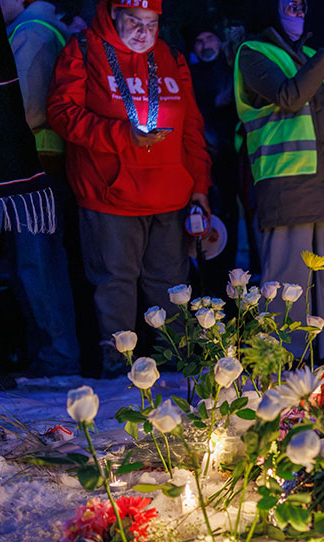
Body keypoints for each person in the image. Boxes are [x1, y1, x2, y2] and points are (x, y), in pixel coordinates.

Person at [48, 0, 212, 377]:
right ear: (113, 15)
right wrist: (122, 136)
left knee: (170, 289)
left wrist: (200, 188)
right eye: (134, 22)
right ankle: (116, 375)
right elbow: (61, 113)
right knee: (115, 288)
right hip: (110, 197)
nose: (144, 33)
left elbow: (191, 129)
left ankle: (175, 373)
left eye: (152, 24)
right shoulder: (85, 49)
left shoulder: (170, 55)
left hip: (170, 198)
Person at [235, 0, 324, 357]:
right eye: (289, 5)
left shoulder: (312, 54)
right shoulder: (252, 53)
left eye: (302, 6)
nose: (299, 12)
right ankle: (283, 364)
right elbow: (290, 97)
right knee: (286, 282)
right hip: (286, 184)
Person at [1, 0, 82, 376]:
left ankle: (57, 358)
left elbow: (28, 108)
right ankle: (50, 356)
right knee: (35, 265)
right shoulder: (39, 28)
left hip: (34, 165)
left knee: (38, 266)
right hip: (38, 165)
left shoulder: (32, 32)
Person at [184, 23, 240, 298]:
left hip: (237, 159)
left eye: (209, 37)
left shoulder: (232, 69)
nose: (205, 44)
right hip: (206, 159)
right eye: (199, 40)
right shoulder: (193, 76)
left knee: (235, 218)